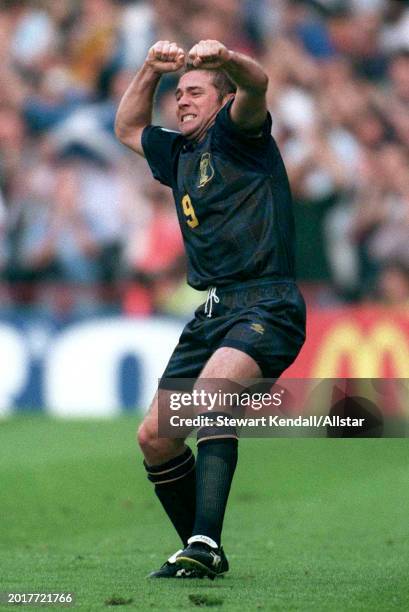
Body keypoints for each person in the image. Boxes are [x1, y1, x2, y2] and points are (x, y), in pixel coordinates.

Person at [115, 39, 306, 579]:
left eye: (195, 91)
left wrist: (227, 60)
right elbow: (127, 129)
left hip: (267, 301)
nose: (182, 101)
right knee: (155, 436)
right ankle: (200, 551)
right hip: (214, 311)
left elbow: (258, 84)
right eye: (178, 94)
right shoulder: (177, 153)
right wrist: (151, 69)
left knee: (212, 395)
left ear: (222, 100)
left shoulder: (239, 134)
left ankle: (204, 542)